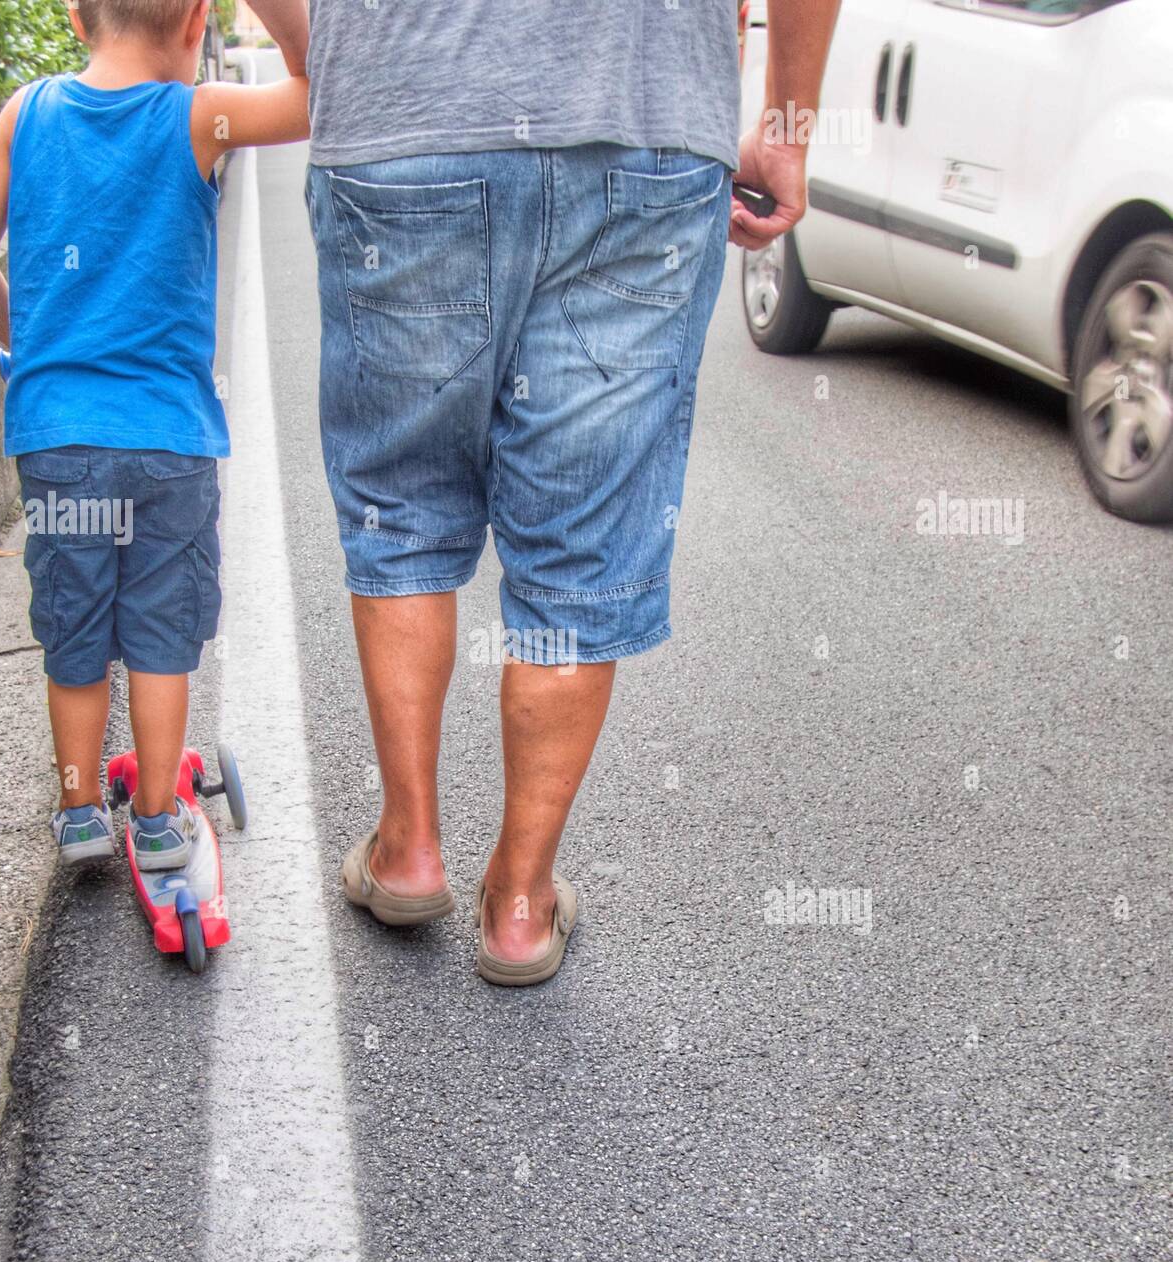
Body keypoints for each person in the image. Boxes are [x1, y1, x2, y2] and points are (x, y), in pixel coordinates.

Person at [254, 0, 839, 985]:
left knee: (400, 504)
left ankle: (407, 849)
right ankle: (520, 906)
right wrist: (784, 125)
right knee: (583, 543)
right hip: (647, 126)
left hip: (405, 117)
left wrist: (330, 40)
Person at [0, 0, 311, 866]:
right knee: (158, 632)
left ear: (75, 18)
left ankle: (76, 816)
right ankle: (153, 820)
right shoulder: (201, 114)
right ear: (196, 21)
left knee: (73, 630)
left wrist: (26, 343)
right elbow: (321, 92)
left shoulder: (24, 112)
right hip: (168, 443)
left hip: (58, 439)